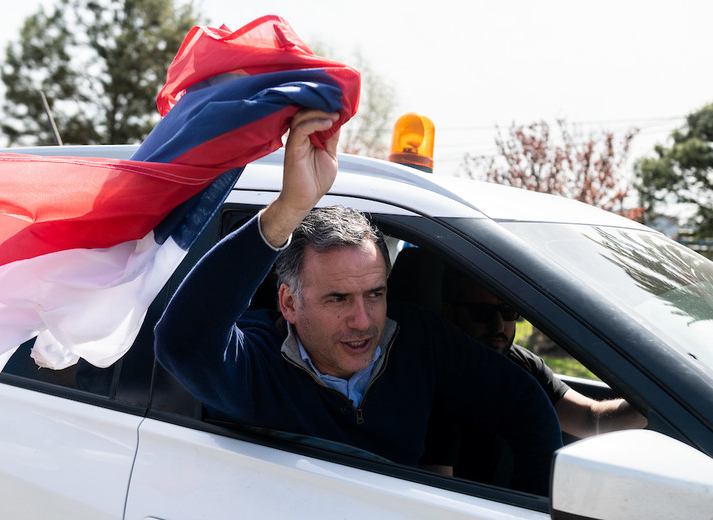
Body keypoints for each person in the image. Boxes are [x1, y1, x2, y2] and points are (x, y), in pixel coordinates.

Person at [153, 109, 562, 495]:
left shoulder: (417, 338)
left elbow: (527, 407)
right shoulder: (257, 363)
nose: (364, 321)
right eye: (338, 299)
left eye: (375, 294)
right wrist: (288, 210)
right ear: (289, 303)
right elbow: (183, 344)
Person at [442, 268, 647, 438]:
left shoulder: (522, 366)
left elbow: (590, 419)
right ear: (449, 313)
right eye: (482, 312)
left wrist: (652, 399)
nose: (498, 326)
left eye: (509, 312)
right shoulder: (434, 375)